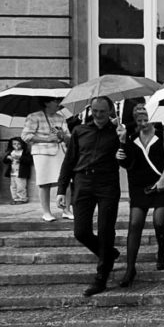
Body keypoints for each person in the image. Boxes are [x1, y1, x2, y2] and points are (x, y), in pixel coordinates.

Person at [56, 96, 122, 297]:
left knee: (105, 229)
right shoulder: (80, 131)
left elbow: (128, 159)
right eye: (95, 111)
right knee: (81, 231)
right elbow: (69, 161)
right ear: (90, 110)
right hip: (82, 183)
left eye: (103, 111)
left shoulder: (118, 132)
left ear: (110, 110)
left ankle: (101, 276)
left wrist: (124, 139)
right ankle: (108, 254)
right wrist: (61, 189)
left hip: (107, 184)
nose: (99, 115)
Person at [116, 104, 164, 288]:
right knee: (135, 224)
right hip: (139, 186)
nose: (143, 124)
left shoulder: (162, 134)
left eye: (146, 120)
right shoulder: (132, 138)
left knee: (159, 222)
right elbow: (128, 164)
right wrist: (121, 151)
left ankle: (161, 249)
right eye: (139, 121)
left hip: (161, 183)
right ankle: (130, 267)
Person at [22, 97, 72, 221]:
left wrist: (63, 136)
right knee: (45, 183)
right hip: (42, 153)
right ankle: (46, 212)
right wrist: (47, 139)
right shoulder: (34, 116)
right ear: (46, 103)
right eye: (55, 101)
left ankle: (66, 210)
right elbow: (25, 135)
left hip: (59, 151)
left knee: (66, 181)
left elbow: (69, 136)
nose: (58, 104)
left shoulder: (60, 117)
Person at [2, 137, 33, 204]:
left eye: (18, 144)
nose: (16, 145)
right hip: (12, 173)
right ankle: (15, 198)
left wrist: (19, 158)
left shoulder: (24, 152)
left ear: (22, 144)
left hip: (21, 173)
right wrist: (8, 158)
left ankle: (22, 198)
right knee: (13, 186)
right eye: (14, 144)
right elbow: (4, 161)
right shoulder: (11, 152)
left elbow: (29, 161)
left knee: (21, 186)